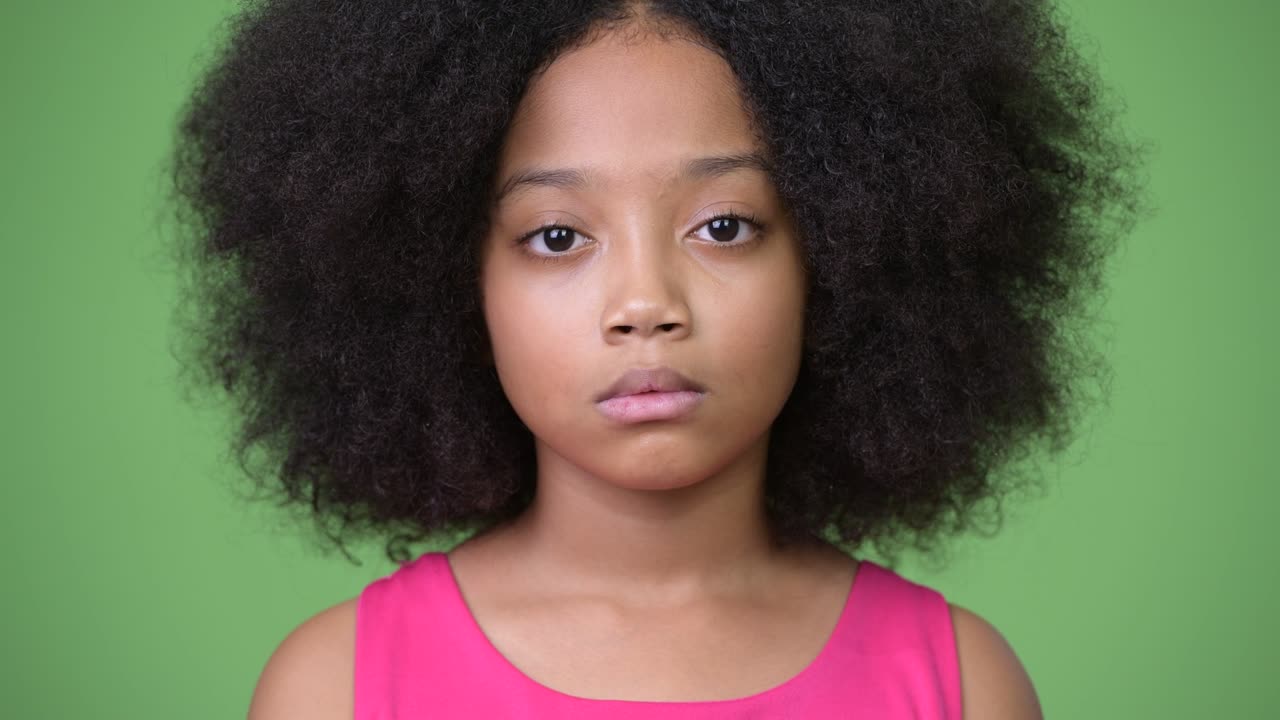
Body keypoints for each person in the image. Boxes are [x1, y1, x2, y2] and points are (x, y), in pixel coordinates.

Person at [167, 0, 1142, 717]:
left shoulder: (957, 685)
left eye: (722, 226)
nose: (645, 304)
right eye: (555, 238)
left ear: (844, 256)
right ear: (445, 284)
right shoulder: (333, 689)